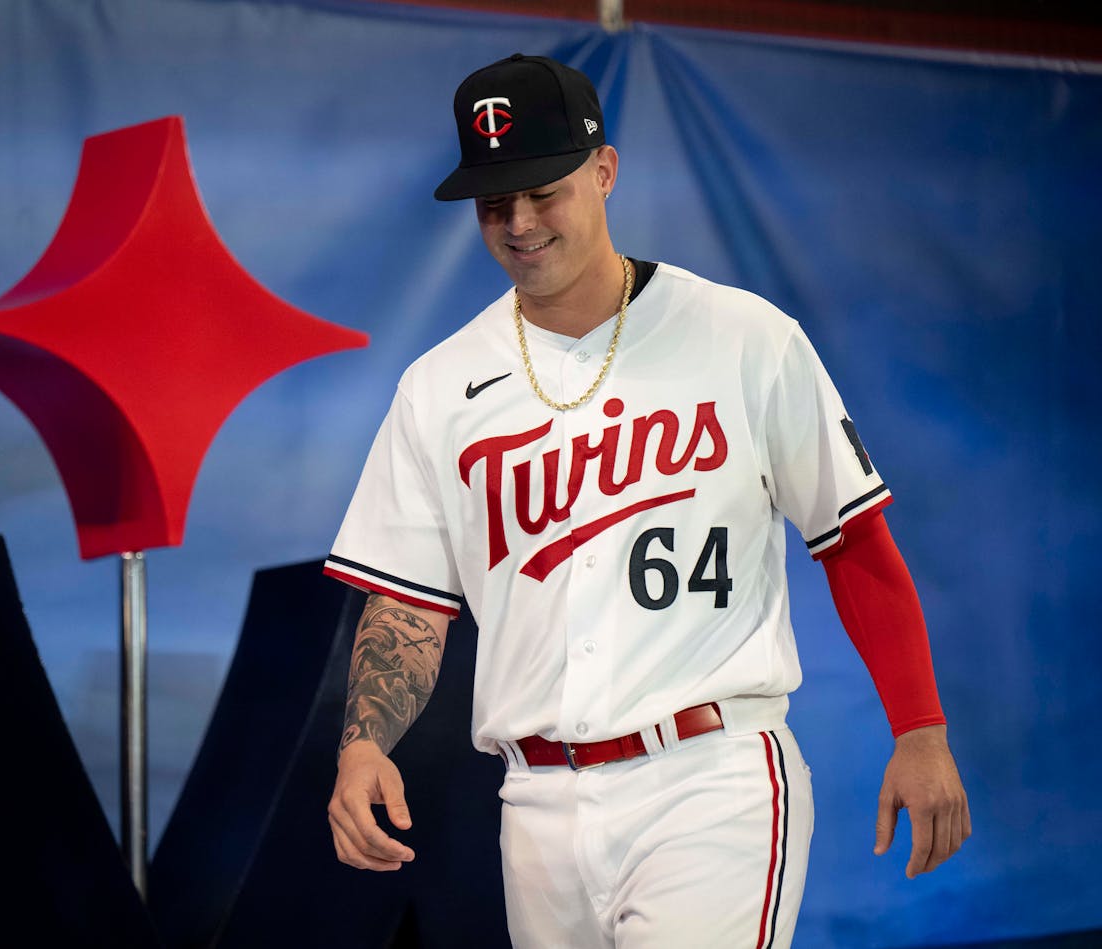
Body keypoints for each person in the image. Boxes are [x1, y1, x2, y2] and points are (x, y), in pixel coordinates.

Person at [324, 53, 968, 947]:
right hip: (536, 805)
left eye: (542, 191)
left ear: (604, 170)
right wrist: (362, 744)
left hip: (709, 781)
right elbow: (408, 605)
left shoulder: (744, 338)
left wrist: (920, 727)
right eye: (494, 201)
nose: (518, 222)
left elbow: (851, 538)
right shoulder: (438, 389)